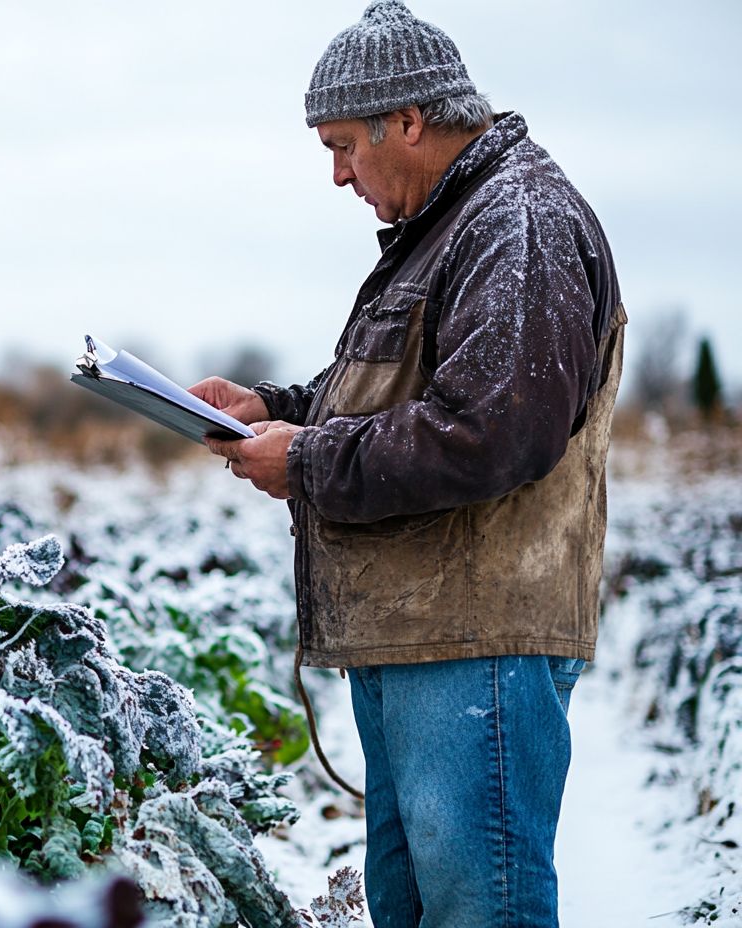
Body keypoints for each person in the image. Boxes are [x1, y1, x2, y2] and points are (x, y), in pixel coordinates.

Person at [192, 1, 625, 925]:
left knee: (480, 909)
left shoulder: (522, 225)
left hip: (477, 643)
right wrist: (276, 410)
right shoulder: (451, 225)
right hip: (422, 636)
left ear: (409, 120)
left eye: (344, 145)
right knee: (415, 906)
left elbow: (490, 432)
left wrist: (306, 461)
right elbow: (399, 397)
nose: (338, 174)